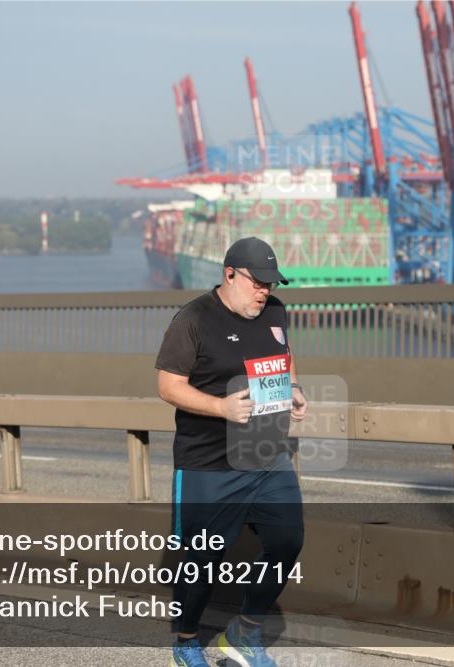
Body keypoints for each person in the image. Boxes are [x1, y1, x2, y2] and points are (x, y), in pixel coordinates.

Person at [156, 237, 308, 667]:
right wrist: (220, 406)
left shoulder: (275, 311)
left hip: (266, 453)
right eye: (258, 282)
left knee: (286, 542)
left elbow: (283, 355)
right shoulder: (193, 318)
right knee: (202, 561)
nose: (265, 291)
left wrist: (293, 388)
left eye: (271, 283)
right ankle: (186, 642)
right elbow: (168, 386)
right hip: (207, 462)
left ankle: (243, 633)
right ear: (230, 274)